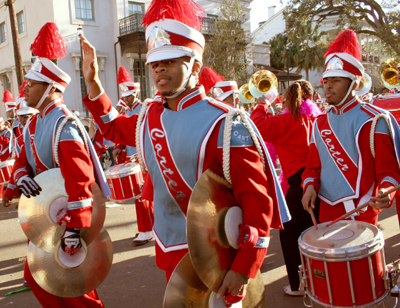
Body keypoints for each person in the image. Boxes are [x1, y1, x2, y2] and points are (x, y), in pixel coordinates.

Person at [81, 0, 289, 301]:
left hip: (219, 255)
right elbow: (112, 128)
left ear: (194, 65)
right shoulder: (148, 116)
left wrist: (244, 267)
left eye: (170, 61)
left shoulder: (227, 122)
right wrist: (94, 85)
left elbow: (256, 202)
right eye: (155, 63)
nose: (160, 69)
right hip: (170, 250)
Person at [10, 22, 108, 308]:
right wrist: (19, 178)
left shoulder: (64, 125)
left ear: (50, 87)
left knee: (78, 291)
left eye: (32, 83)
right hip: (45, 219)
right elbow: (21, 161)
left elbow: (81, 182)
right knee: (41, 279)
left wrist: (75, 229)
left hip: (68, 222)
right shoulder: (34, 124)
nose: (25, 88)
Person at [301, 29, 400, 226]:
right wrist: (310, 185)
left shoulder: (374, 120)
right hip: (327, 211)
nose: (328, 86)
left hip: (363, 210)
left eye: (336, 81)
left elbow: (388, 170)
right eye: (326, 81)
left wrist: (386, 191)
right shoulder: (320, 123)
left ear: (354, 84)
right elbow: (313, 168)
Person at [251, 79, 321, 296]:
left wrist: (264, 103)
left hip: (299, 183)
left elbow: (258, 125)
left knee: (290, 236)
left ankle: (298, 285)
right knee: (313, 233)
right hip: (317, 180)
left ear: (288, 98)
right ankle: (316, 281)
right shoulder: (315, 117)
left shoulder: (289, 120)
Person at [112, 66, 154, 246]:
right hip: (130, 159)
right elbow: (122, 132)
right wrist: (119, 147)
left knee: (144, 195)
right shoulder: (125, 111)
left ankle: (147, 230)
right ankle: (147, 228)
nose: (125, 99)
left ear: (136, 93)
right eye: (124, 96)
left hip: (142, 158)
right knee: (140, 196)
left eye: (128, 95)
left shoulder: (144, 109)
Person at [3, 99, 39, 207]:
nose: (26, 118)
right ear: (18, 117)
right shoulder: (19, 135)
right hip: (32, 188)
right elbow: (20, 164)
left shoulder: (42, 131)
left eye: (29, 115)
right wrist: (9, 191)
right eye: (23, 115)